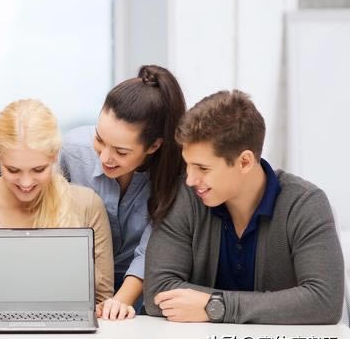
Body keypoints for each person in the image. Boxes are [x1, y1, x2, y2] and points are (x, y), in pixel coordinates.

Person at [144, 90, 344, 324]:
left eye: (203, 168)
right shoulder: (186, 197)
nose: (190, 179)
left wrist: (216, 306)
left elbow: (324, 302)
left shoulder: (304, 204)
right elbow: (158, 291)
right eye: (188, 165)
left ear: (245, 162)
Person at [0, 99, 114, 314]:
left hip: (66, 334)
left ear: (55, 156)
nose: (26, 183)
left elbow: (102, 302)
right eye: (13, 170)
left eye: (38, 169)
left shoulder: (87, 206)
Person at [61, 65, 186, 320]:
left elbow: (152, 249)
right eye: (99, 139)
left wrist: (119, 302)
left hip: (144, 296)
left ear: (153, 146)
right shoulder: (71, 151)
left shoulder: (176, 174)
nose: (105, 157)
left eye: (121, 151)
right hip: (76, 288)